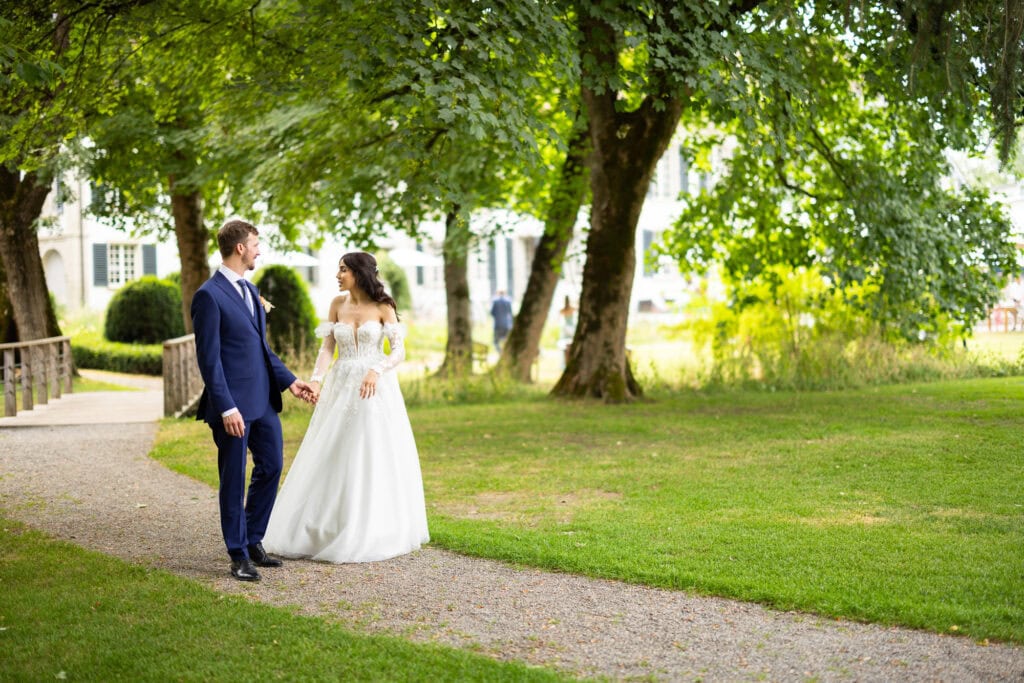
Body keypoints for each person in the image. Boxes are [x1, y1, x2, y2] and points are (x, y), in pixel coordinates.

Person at [262, 252, 429, 563]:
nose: (337, 275)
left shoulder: (383, 307)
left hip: (372, 387)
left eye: (343, 270)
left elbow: (399, 351)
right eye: (338, 269)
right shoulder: (337, 305)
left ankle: (368, 525)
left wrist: (376, 370)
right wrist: (315, 380)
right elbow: (328, 347)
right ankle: (324, 526)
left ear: (358, 272)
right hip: (341, 383)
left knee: (367, 449)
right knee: (331, 448)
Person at [191, 219, 315, 582]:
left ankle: (254, 539)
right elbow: (209, 359)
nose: (260, 250)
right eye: (256, 244)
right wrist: (226, 406)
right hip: (232, 407)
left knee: (272, 465)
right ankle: (237, 554)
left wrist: (290, 381)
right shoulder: (209, 295)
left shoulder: (251, 289)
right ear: (240, 248)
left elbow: (261, 349)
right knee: (233, 478)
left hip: (263, 400)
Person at [557, 295, 577, 368]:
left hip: (568, 329)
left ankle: (567, 362)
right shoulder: (570, 309)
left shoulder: (564, 310)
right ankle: (566, 362)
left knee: (567, 347)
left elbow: (558, 320)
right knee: (567, 346)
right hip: (569, 328)